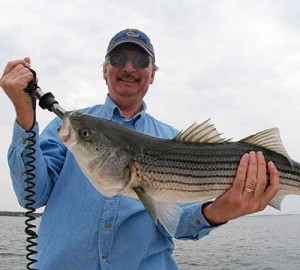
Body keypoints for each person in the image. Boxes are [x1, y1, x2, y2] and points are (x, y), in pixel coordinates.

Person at [0, 29, 280, 270]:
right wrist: (25, 116)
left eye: (141, 60)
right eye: (119, 59)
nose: (129, 68)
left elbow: (178, 223)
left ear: (152, 74)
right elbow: (30, 195)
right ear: (104, 70)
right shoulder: (65, 131)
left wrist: (221, 210)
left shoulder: (175, 140)